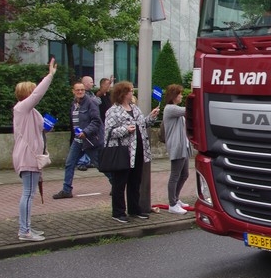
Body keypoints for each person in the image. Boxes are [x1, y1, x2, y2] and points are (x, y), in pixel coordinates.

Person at [12, 59, 58, 241]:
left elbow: (41, 128)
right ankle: (24, 230)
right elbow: (38, 94)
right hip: (27, 157)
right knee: (28, 194)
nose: (34, 94)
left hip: (32, 156)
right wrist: (50, 75)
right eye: (32, 91)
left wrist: (48, 127)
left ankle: (27, 227)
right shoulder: (22, 108)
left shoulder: (31, 112)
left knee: (29, 193)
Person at [103, 81, 157, 223]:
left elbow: (142, 124)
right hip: (123, 152)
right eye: (130, 91)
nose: (132, 93)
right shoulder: (113, 111)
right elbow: (108, 132)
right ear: (122, 93)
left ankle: (134, 209)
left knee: (135, 181)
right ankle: (118, 212)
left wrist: (151, 117)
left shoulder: (135, 108)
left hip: (138, 151)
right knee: (120, 183)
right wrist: (125, 130)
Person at [53, 80, 103, 199]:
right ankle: (66, 190)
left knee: (99, 164)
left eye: (82, 90)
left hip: (89, 140)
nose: (80, 92)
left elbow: (96, 121)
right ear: (73, 91)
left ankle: (116, 185)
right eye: (78, 90)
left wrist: (85, 132)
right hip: (78, 140)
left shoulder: (91, 103)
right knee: (69, 163)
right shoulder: (74, 104)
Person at [162, 84, 192, 214]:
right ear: (174, 96)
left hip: (183, 146)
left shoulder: (175, 109)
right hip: (177, 146)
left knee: (184, 174)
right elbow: (190, 109)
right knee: (175, 175)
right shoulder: (170, 108)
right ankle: (172, 204)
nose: (181, 96)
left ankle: (176, 198)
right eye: (180, 94)